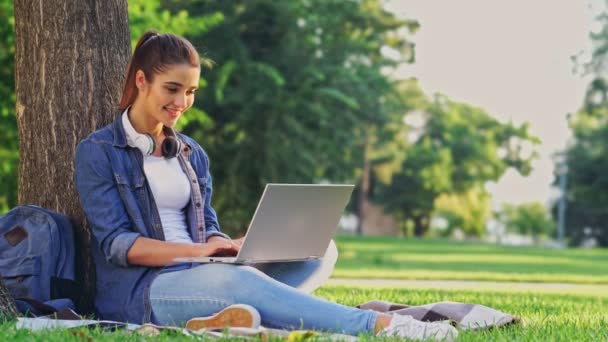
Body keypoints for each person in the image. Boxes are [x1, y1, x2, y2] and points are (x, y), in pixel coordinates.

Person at [74, 30, 458, 341]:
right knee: (236, 280)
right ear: (142, 81)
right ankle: (377, 328)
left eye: (190, 92)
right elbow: (119, 246)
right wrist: (199, 252)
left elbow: (208, 225)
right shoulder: (98, 152)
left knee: (318, 251)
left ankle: (235, 316)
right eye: (172, 89)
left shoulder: (191, 153)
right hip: (144, 290)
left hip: (207, 271)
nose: (182, 102)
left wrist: (231, 247)